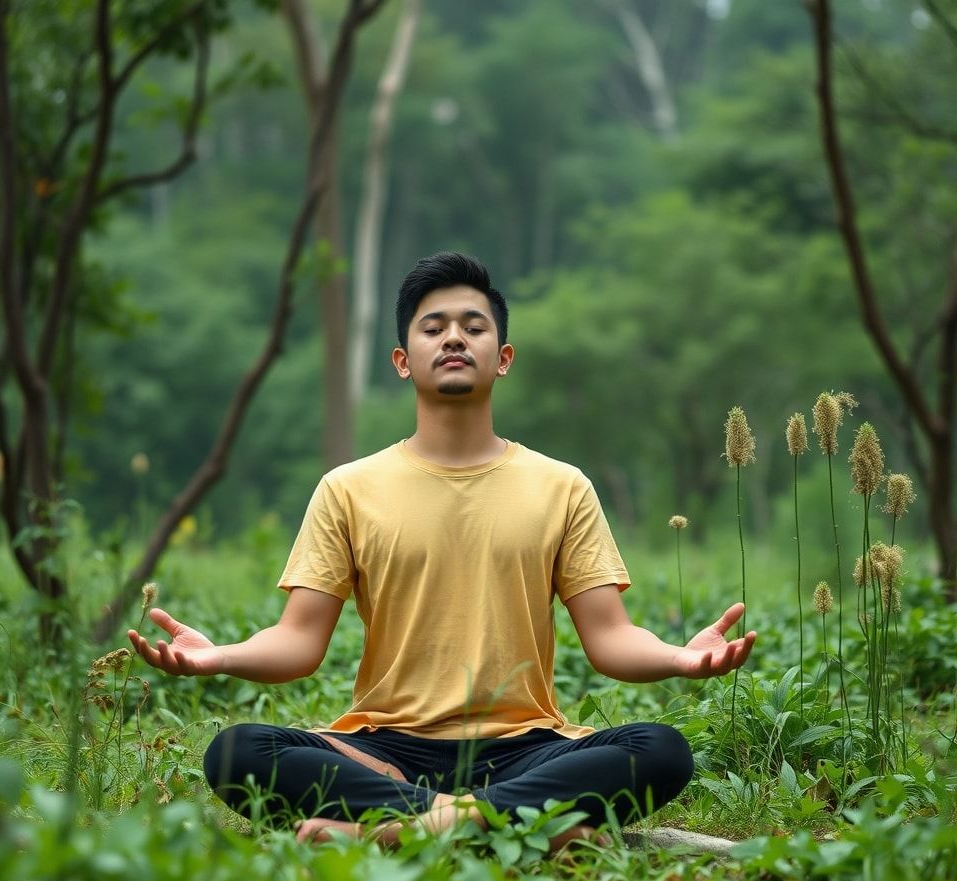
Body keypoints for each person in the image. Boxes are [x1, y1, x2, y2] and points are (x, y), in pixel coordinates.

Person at [128, 252, 756, 850]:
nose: (454, 338)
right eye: (434, 328)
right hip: (385, 750)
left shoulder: (562, 487)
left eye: (473, 327)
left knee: (660, 751)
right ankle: (508, 822)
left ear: (502, 358)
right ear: (403, 361)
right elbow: (299, 641)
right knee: (239, 753)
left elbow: (610, 638)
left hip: (527, 747)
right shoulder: (348, 489)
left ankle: (401, 827)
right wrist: (220, 657)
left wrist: (678, 658)